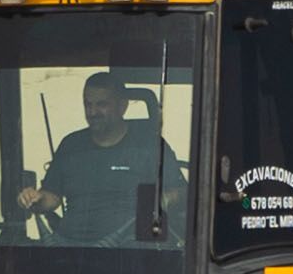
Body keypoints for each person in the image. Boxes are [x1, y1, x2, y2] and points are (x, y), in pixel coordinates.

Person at [33, 69, 187, 248]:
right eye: (87, 104)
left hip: (128, 249)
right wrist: (35, 199)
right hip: (68, 245)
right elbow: (52, 197)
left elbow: (183, 192)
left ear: (122, 106)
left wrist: (163, 200)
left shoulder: (149, 145)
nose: (92, 112)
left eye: (101, 104)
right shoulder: (71, 145)